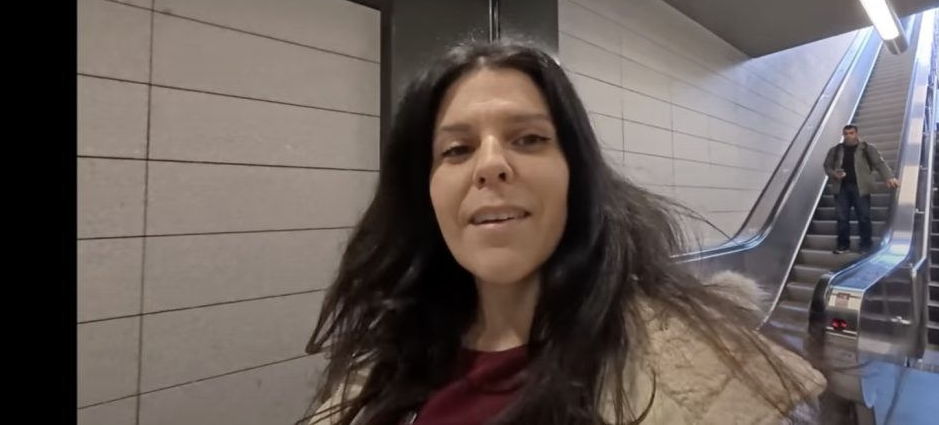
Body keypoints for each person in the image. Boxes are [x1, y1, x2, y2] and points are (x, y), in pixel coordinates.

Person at [302, 41, 827, 425]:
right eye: (456, 150)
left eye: (528, 139)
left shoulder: (706, 374)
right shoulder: (378, 368)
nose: (491, 165)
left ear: (576, 174)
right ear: (426, 192)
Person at [822, 124, 899, 255]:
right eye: (846, 133)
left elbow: (879, 163)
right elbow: (827, 166)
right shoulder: (835, 150)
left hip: (861, 187)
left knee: (863, 217)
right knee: (842, 218)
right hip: (841, 188)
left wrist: (889, 177)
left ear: (857, 134)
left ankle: (866, 245)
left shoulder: (867, 148)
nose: (848, 136)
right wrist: (834, 174)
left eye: (851, 133)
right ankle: (843, 245)